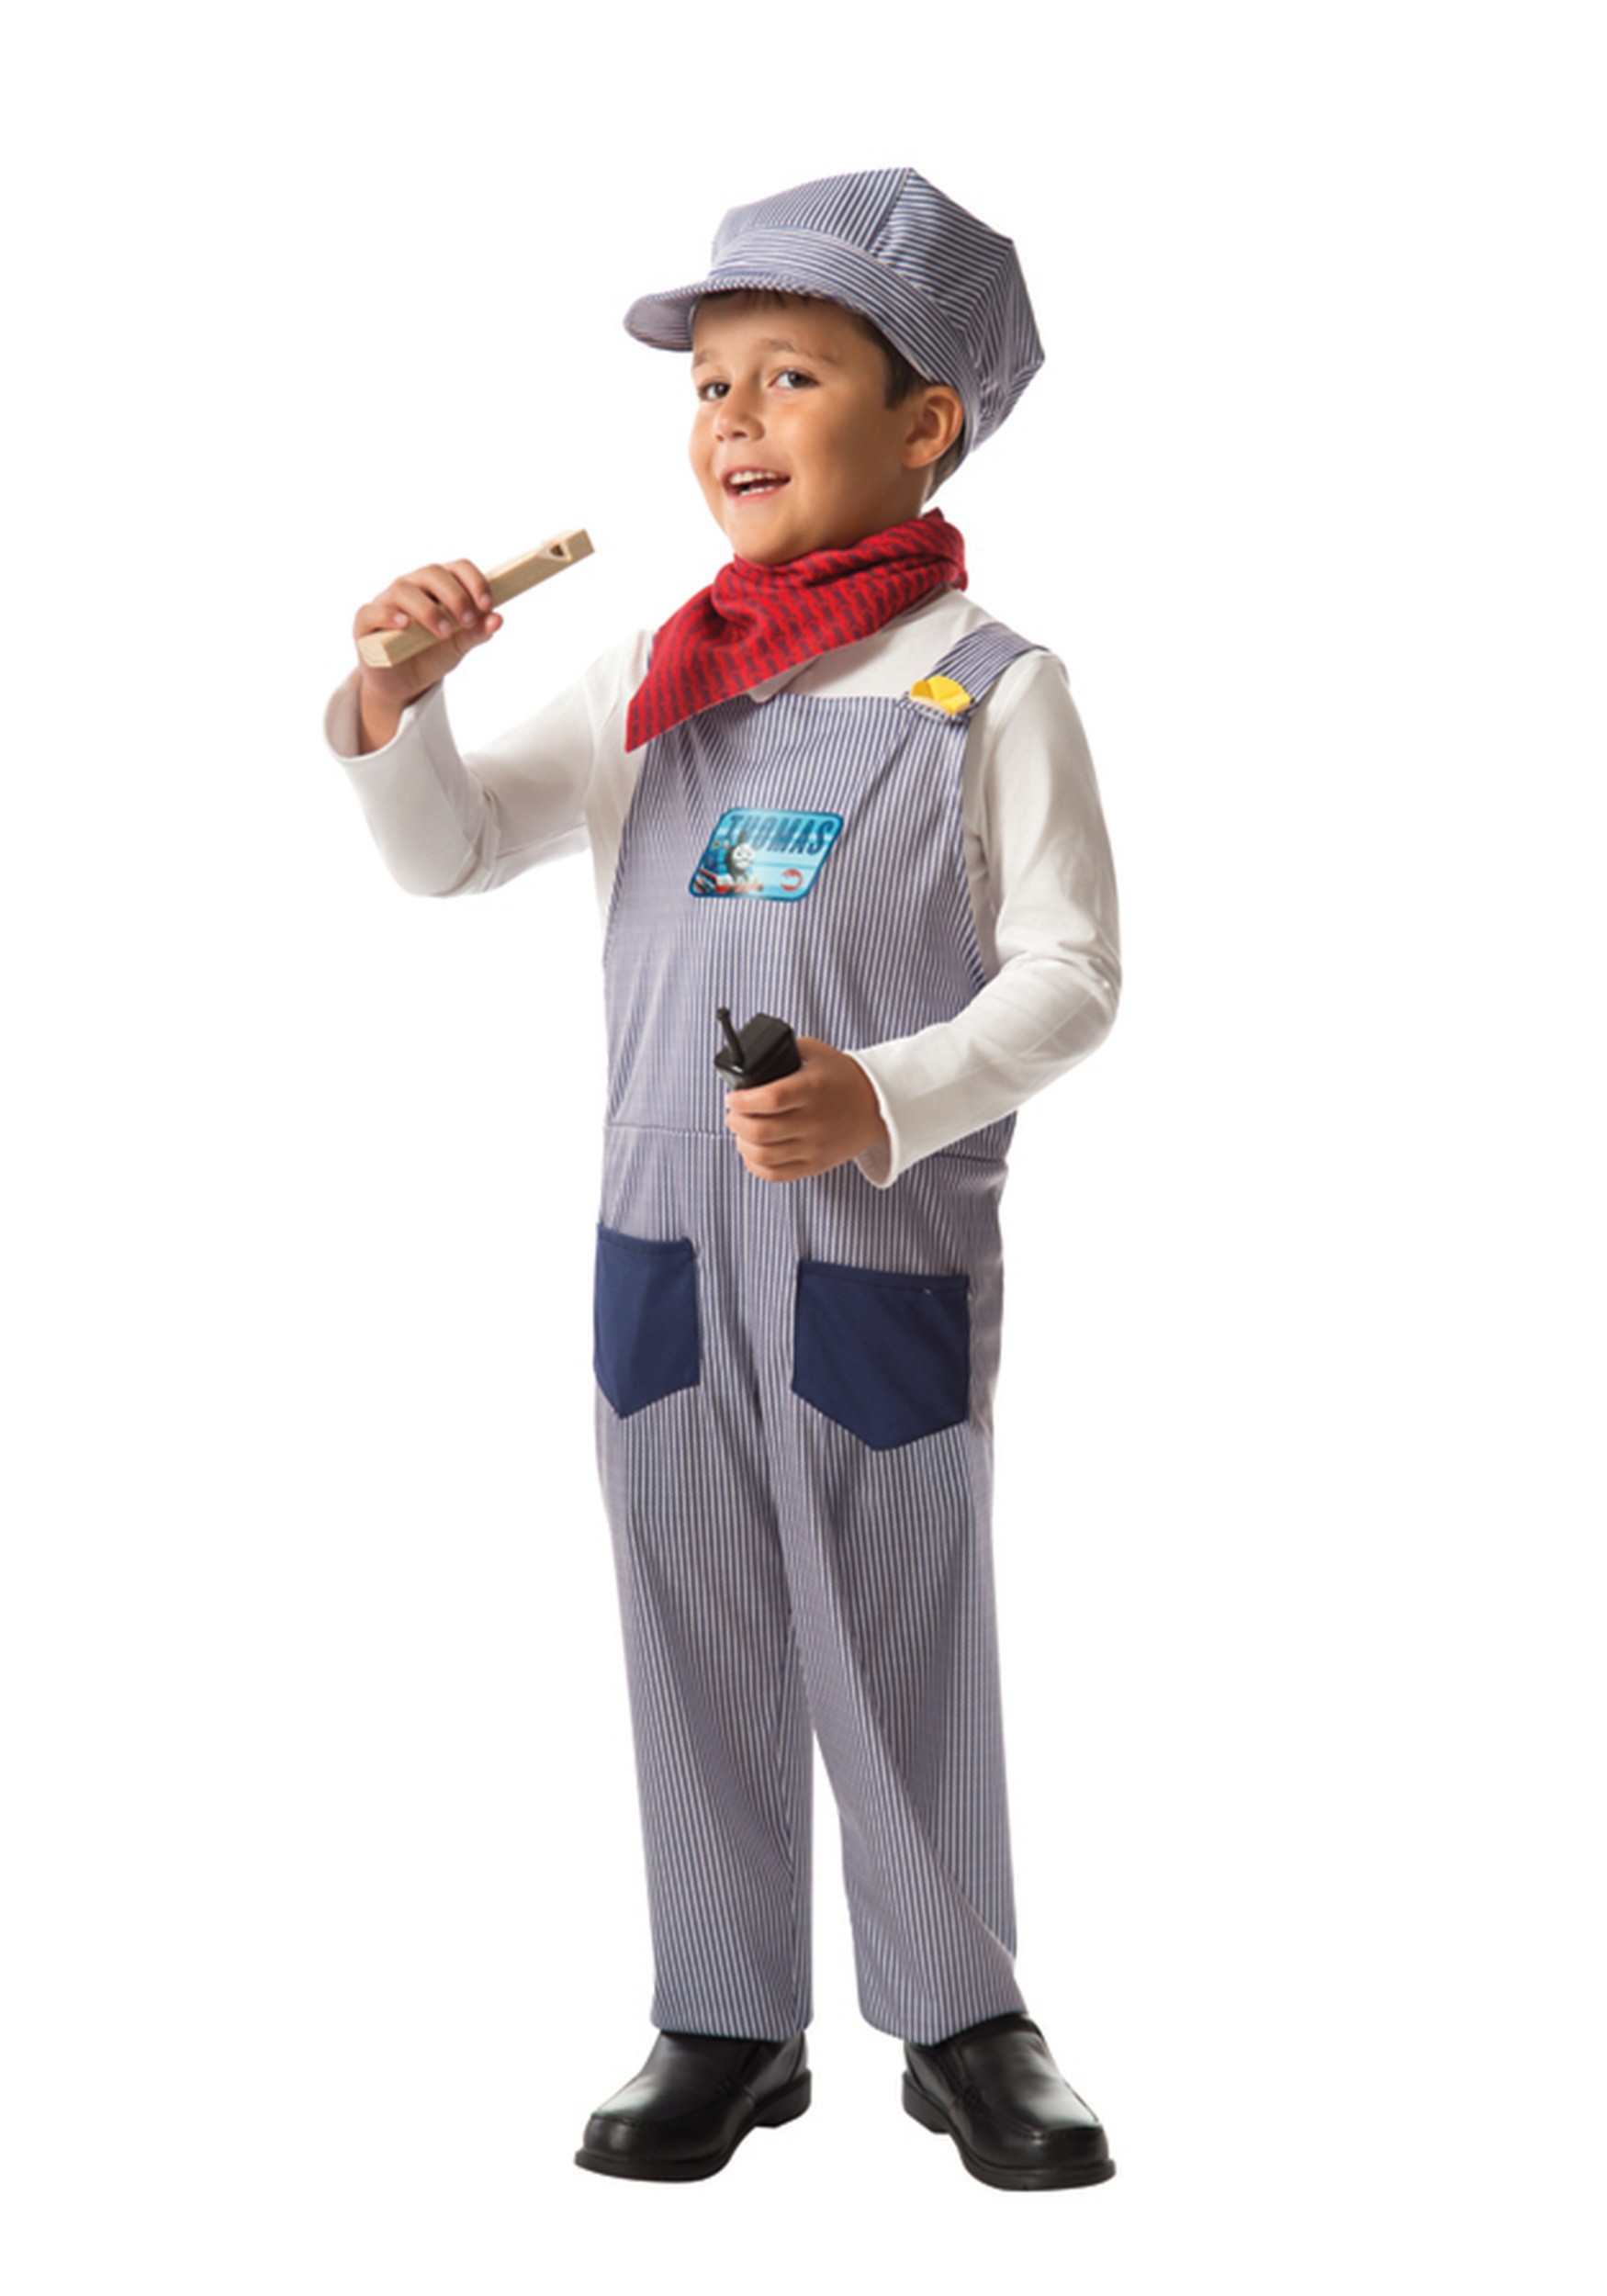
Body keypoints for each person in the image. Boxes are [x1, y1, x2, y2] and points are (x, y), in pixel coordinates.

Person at [325, 167, 1121, 2191]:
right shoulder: (651, 672)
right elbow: (449, 847)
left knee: (899, 1606)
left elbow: (1070, 976)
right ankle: (723, 2013)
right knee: (681, 1597)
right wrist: (397, 704)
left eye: (791, 376)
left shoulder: (988, 687)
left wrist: (888, 1094)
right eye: (708, 385)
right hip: (660, 1239)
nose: (734, 419)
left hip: (873, 1236)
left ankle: (960, 2017)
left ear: (925, 423)